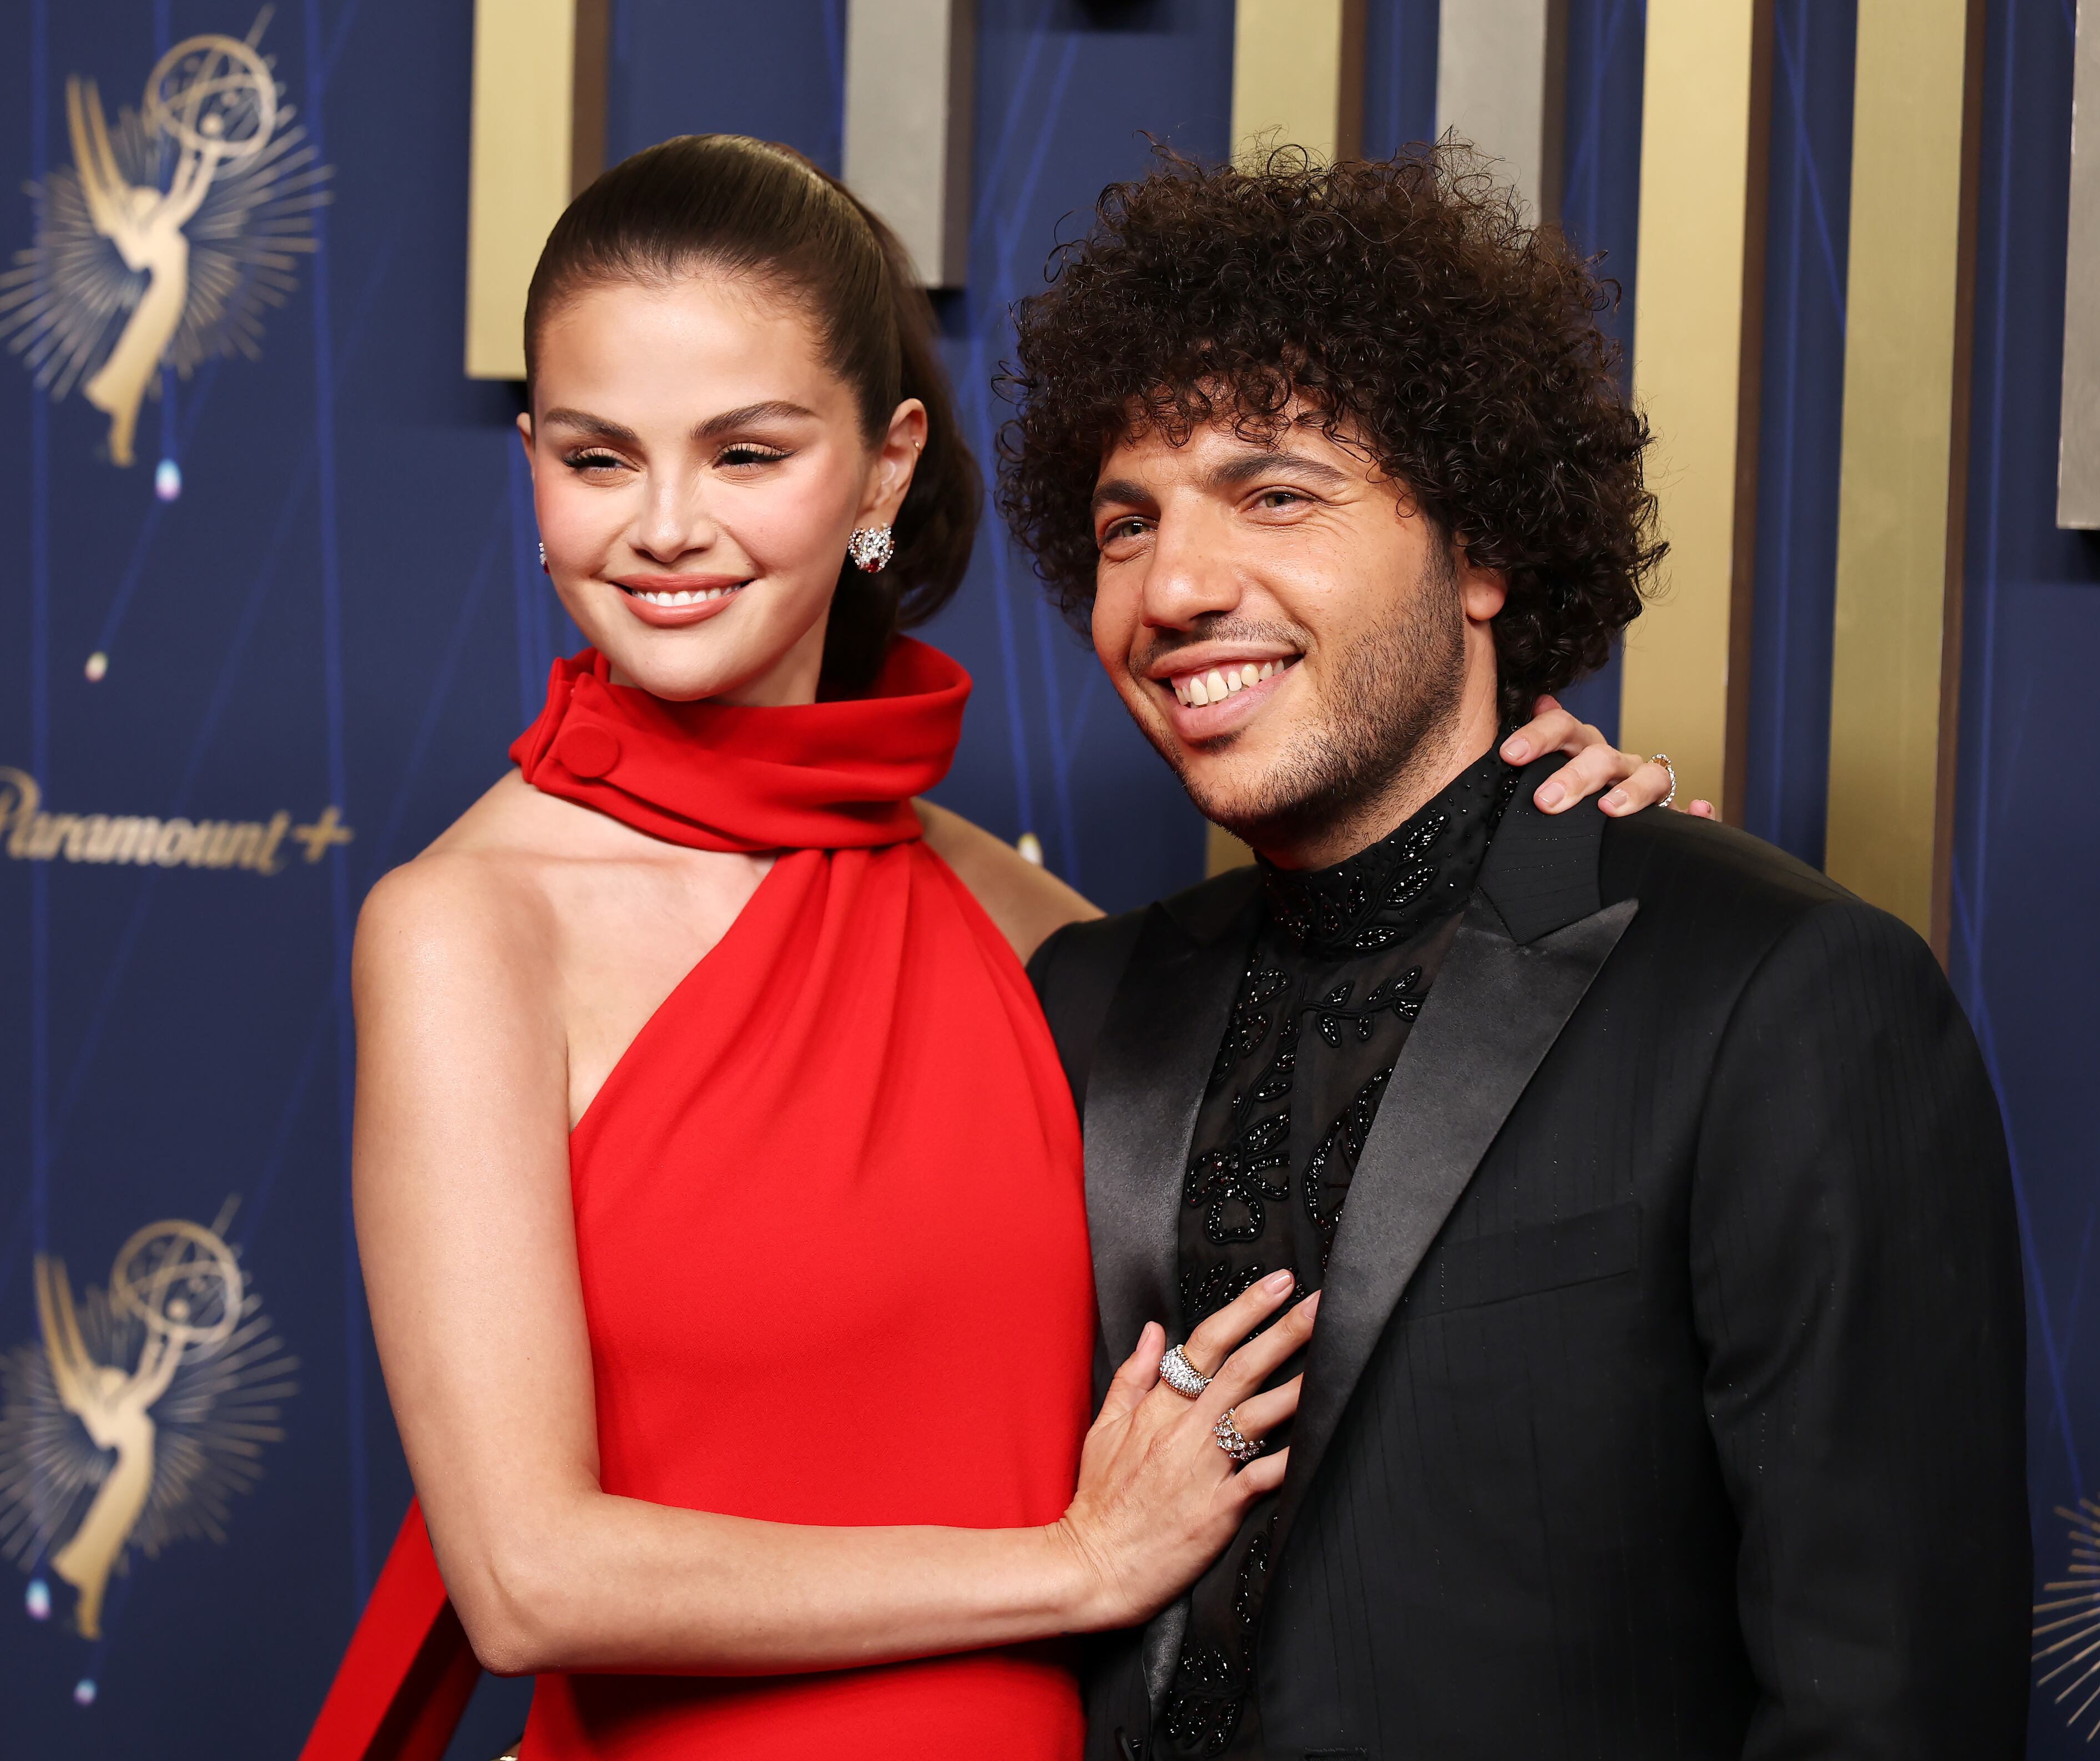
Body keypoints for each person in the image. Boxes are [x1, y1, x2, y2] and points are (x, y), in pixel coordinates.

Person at [341, 135, 1677, 1761]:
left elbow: (1369, 1051)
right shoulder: (464, 930)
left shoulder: (1025, 927)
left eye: (747, 453)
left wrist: (1514, 813)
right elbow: (525, 1577)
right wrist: (1071, 1563)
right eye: (598, 457)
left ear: (884, 469)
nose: (667, 527)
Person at [1005, 144, 2029, 1760]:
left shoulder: (1777, 992)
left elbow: (1891, 1701)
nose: (1178, 584)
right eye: (1126, 522)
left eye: (1276, 491)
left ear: (1480, 552)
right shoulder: (1075, 1006)